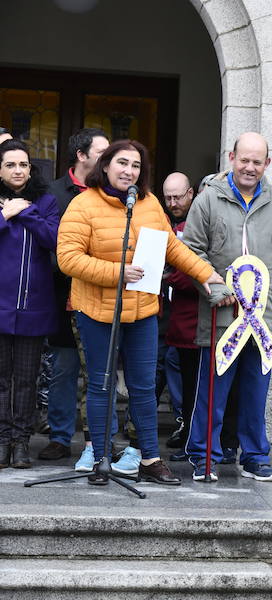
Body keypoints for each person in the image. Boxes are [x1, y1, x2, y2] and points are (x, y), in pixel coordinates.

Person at [56, 139, 222, 486]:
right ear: (105, 165)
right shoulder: (82, 205)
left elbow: (173, 247)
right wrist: (117, 272)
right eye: (122, 163)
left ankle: (149, 458)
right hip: (97, 311)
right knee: (101, 386)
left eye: (135, 166)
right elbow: (68, 258)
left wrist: (205, 274)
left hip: (143, 310)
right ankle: (101, 460)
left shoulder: (148, 204)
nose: (129, 171)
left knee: (144, 387)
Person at [182, 132, 272, 483]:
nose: (250, 167)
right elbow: (191, 251)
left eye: (257, 161)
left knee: (255, 392)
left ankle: (254, 457)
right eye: (244, 159)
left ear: (267, 163)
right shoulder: (207, 201)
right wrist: (217, 290)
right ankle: (205, 457)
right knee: (213, 394)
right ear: (231, 157)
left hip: (262, 320)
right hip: (222, 317)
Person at [39, 128, 109, 469]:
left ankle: (98, 441)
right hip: (62, 295)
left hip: (102, 296)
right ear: (82, 156)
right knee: (64, 369)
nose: (111, 160)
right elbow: (47, 248)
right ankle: (60, 437)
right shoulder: (53, 193)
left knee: (100, 371)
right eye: (102, 153)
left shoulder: (110, 192)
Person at [0, 139, 60, 469]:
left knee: (26, 380)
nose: (18, 170)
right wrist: (4, 214)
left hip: (34, 307)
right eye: (11, 164)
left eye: (23, 164)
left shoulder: (46, 202)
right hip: (0, 305)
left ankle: (21, 443)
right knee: (1, 380)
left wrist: (26, 210)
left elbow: (54, 239)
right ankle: (1, 440)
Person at [159, 172, 197, 459]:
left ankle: (188, 428)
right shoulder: (161, 221)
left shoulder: (197, 222)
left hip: (191, 314)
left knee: (184, 372)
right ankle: (183, 426)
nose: (173, 202)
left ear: (191, 193)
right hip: (164, 313)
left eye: (178, 196)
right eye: (168, 197)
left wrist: (168, 275)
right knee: (164, 366)